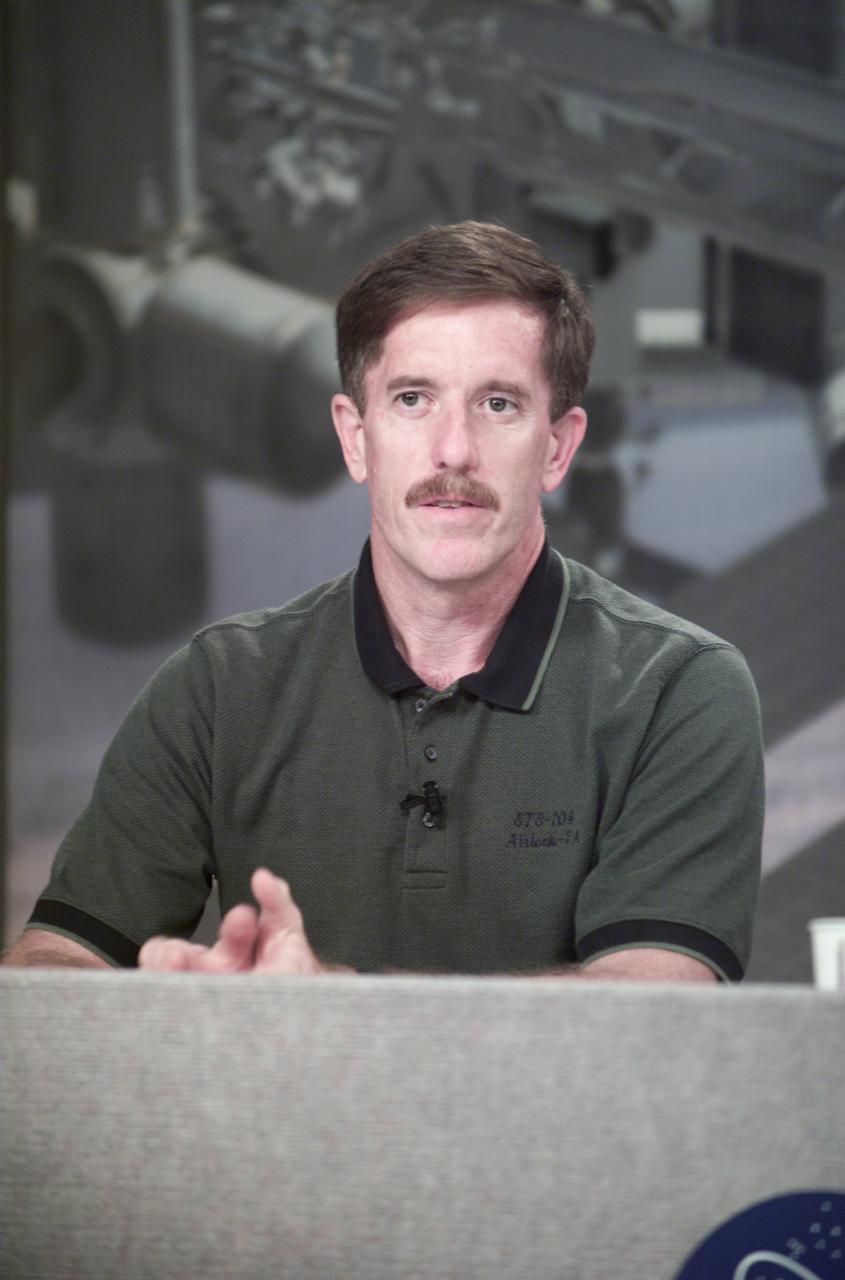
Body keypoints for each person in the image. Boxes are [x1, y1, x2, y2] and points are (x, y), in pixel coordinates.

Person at [4, 221, 763, 980]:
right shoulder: (215, 689)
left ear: (558, 447)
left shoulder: (680, 689)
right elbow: (54, 960)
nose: (453, 450)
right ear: (355, 437)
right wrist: (166, 1009)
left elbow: (654, 1010)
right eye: (411, 399)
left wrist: (334, 1009)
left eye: (497, 403)